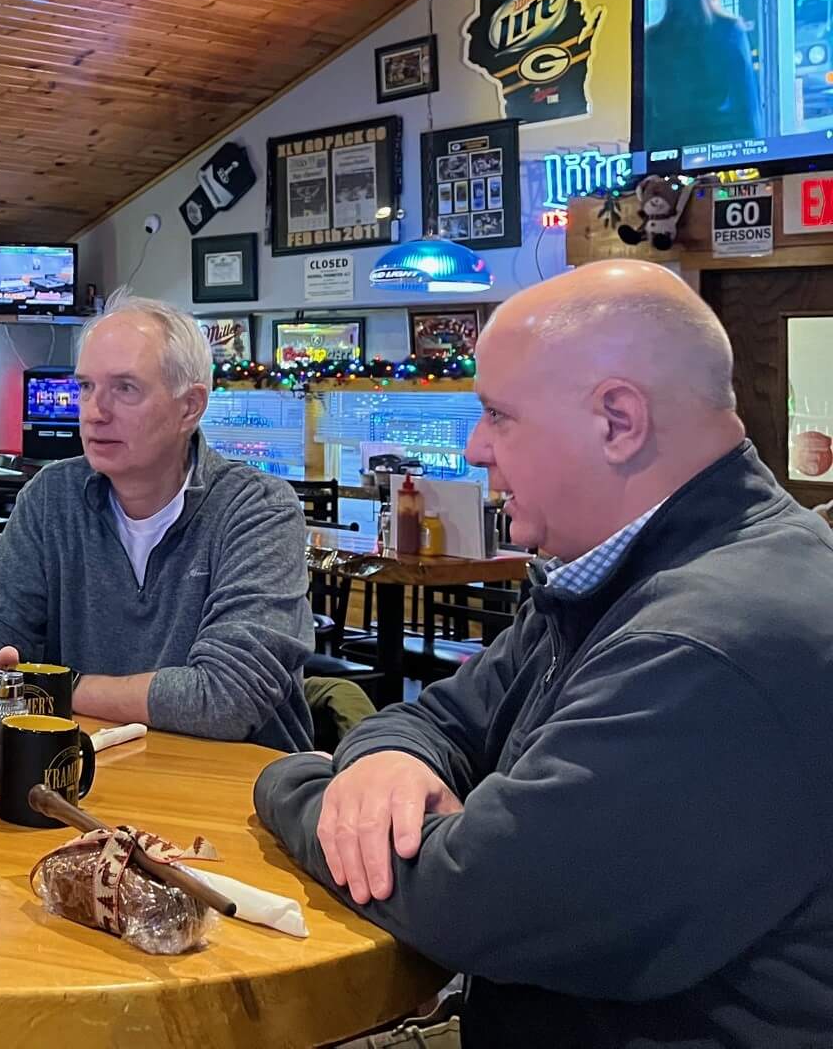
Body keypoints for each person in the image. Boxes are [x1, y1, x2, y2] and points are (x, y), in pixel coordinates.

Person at [255, 261, 833, 1046]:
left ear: (617, 421)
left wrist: (293, 778)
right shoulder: (614, 575)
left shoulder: (710, 641)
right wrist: (383, 763)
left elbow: (472, 897)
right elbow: (443, 719)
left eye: (498, 415)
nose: (475, 446)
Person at [0, 291, 313, 751]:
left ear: (190, 407)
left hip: (234, 795)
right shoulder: (51, 497)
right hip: (84, 775)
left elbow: (228, 697)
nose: (95, 412)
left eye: (125, 388)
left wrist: (52, 688)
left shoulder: (257, 509)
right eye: (85, 387)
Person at [643, 0, 764, 151]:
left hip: (666, 151)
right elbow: (748, 110)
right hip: (721, 147)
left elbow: (645, 115)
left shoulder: (652, 39)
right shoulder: (730, 30)